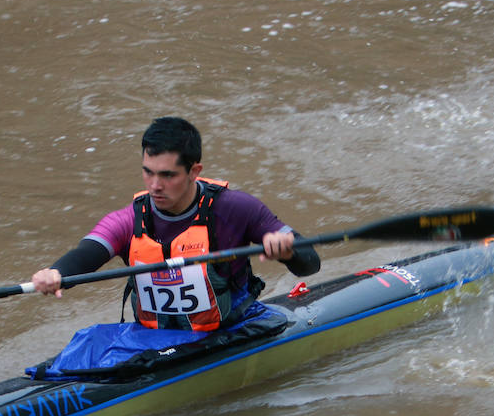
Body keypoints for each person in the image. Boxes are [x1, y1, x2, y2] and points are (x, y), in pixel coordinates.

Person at [31, 117, 320, 332]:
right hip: (156, 341)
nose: (155, 186)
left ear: (195, 171)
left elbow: (310, 263)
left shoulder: (236, 208)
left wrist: (287, 252)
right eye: (148, 172)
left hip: (230, 331)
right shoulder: (129, 219)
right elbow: (88, 252)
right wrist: (57, 273)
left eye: (168, 175)